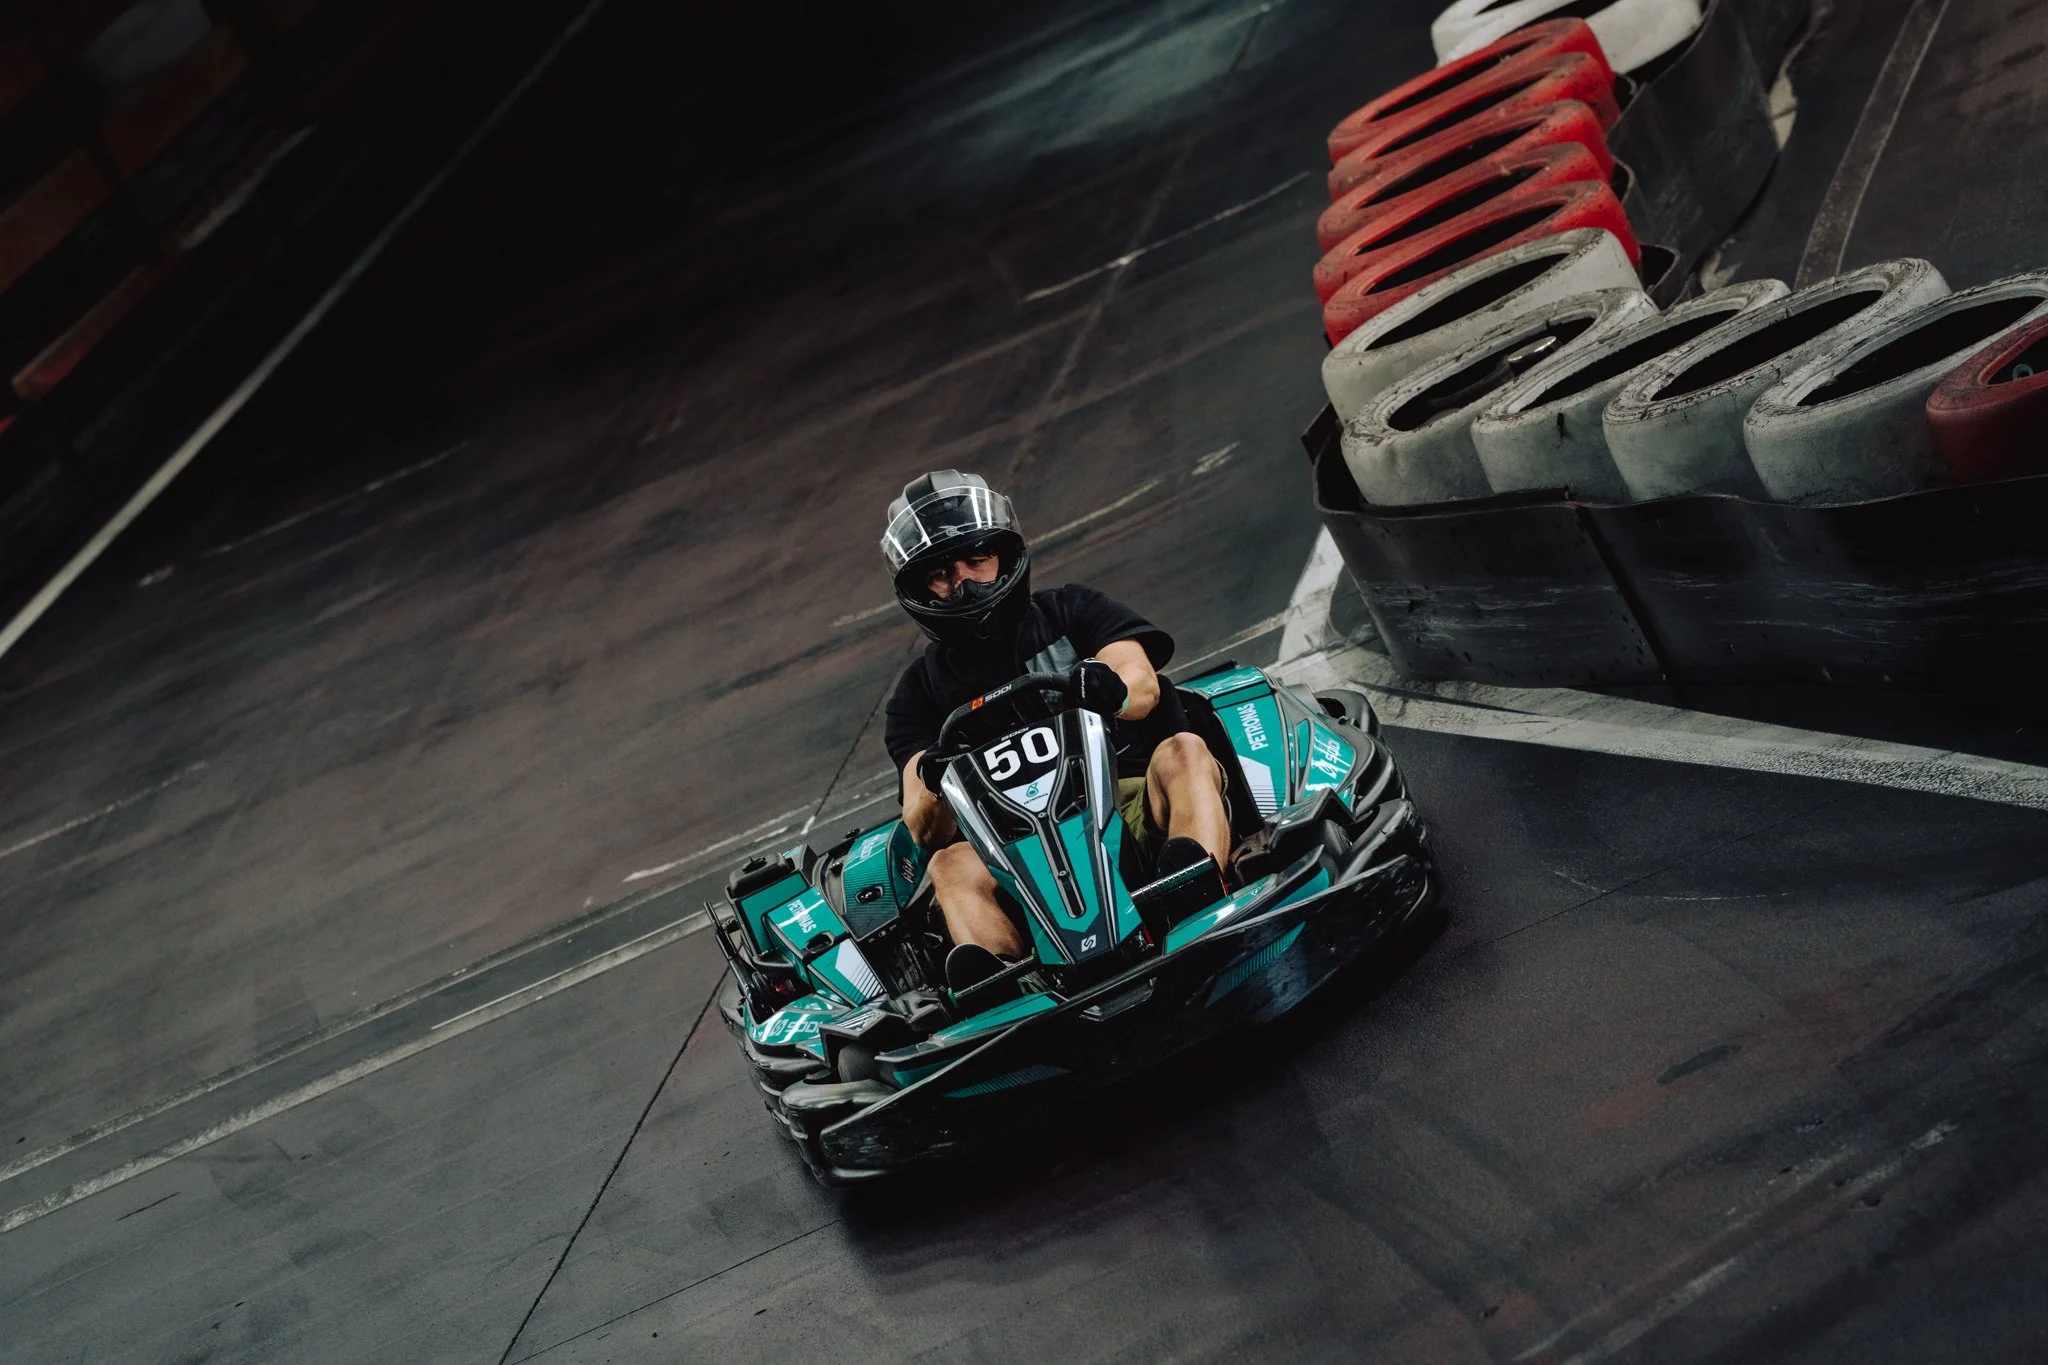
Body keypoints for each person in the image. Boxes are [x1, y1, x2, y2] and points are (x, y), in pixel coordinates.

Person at [880, 470, 1231, 989]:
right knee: (949, 864)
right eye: (942, 573)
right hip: (1015, 852)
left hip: (1125, 806)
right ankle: (1003, 983)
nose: (965, 583)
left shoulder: (1071, 611)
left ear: (1003, 555)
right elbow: (922, 826)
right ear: (919, 589)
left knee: (1184, 750)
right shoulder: (920, 693)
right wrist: (934, 778)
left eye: (977, 560)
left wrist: (1112, 689)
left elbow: (1142, 681)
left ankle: (1199, 895)